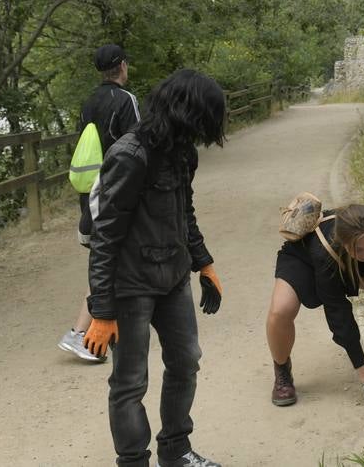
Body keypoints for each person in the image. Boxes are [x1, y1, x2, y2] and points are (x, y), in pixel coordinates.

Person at [84, 68, 226, 467]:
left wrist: (204, 263)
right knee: (130, 383)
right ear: (187, 111)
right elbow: (105, 236)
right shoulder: (130, 156)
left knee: (186, 361)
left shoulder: (183, 151)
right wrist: (101, 311)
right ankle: (133, 462)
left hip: (174, 276)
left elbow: (185, 211)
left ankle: (176, 450)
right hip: (131, 287)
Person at [266, 203, 364, 409]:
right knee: (281, 310)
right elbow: (340, 316)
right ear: (345, 242)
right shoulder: (324, 253)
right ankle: (282, 369)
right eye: (359, 248)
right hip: (304, 261)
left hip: (348, 259)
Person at [58, 43, 140, 363]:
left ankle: (104, 327)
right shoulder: (126, 100)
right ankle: (81, 333)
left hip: (88, 193)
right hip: (114, 191)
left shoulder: (87, 103)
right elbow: (136, 147)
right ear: (121, 66)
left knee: (108, 260)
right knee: (109, 264)